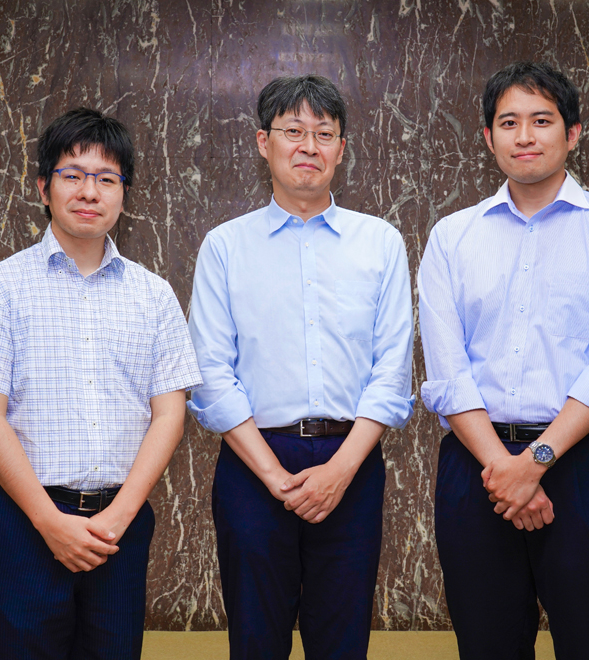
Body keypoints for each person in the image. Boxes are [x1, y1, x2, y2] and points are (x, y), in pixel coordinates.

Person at [418, 61, 589, 660]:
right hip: (479, 471)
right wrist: (508, 469)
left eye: (541, 120)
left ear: (572, 133)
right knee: (488, 644)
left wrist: (536, 463)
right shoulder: (452, 237)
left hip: (586, 468)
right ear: (488, 137)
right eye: (509, 122)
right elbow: (449, 374)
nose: (525, 136)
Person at [0, 107, 202, 660]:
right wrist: (50, 521)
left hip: (122, 524)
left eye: (107, 179)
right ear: (44, 186)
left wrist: (119, 516)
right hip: (25, 523)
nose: (90, 191)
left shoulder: (154, 294)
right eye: (73, 175)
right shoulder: (0, 287)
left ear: (124, 193)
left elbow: (171, 413)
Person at [187, 74, 414, 660]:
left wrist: (340, 470)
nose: (308, 146)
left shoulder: (380, 242)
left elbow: (391, 372)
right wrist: (270, 475)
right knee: (256, 642)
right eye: (293, 131)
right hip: (253, 463)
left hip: (352, 461)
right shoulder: (224, 246)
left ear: (342, 147)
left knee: (342, 641)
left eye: (324, 133)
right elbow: (211, 371)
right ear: (264, 142)